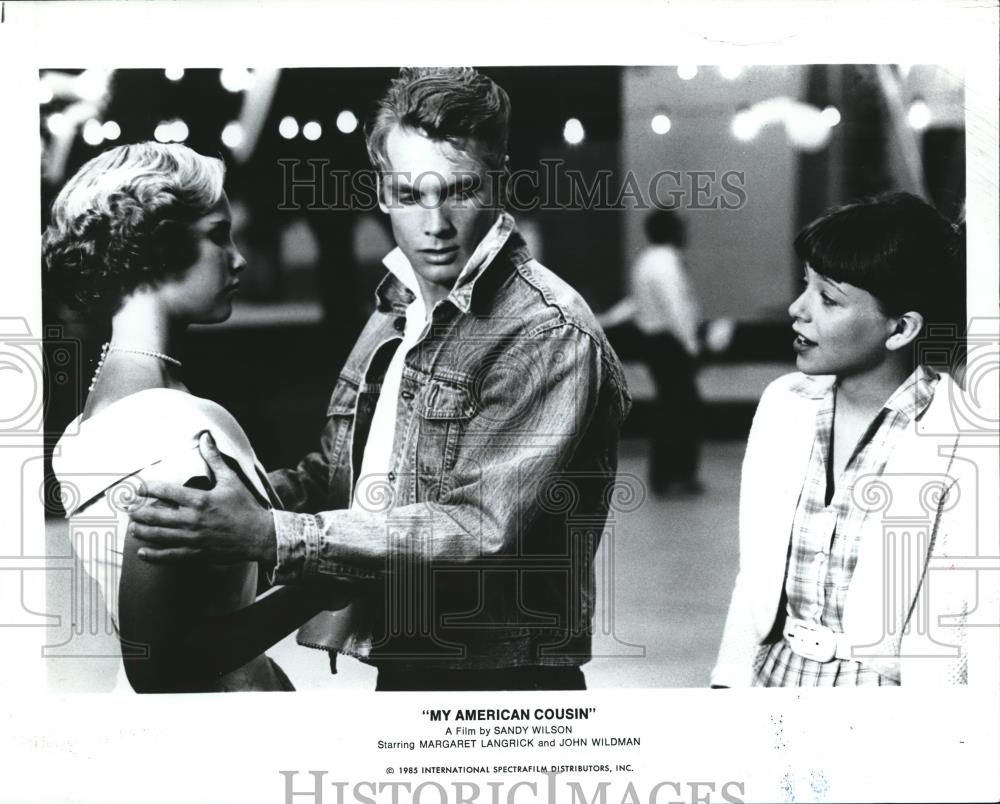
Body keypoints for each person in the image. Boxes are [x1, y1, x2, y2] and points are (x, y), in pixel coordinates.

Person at [127, 67, 632, 691]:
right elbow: (353, 470)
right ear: (383, 193)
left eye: (460, 190)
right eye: (409, 193)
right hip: (407, 657)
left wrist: (268, 533)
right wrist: (229, 504)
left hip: (501, 675)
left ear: (500, 182)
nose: (435, 223)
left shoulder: (545, 331)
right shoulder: (399, 302)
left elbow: (476, 528)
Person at [47, 142, 345, 693]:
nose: (238, 257)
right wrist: (323, 582)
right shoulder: (176, 436)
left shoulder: (92, 416)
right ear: (156, 244)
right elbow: (162, 670)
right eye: (217, 234)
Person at [712, 192, 996, 687]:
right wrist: (726, 682)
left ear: (901, 327)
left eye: (829, 298)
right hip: (771, 683)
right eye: (806, 286)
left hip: (881, 704)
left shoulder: (954, 433)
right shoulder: (784, 405)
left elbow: (947, 624)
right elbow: (754, 574)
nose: (797, 309)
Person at [599, 209, 704, 495]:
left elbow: (636, 302)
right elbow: (676, 307)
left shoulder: (645, 261)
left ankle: (668, 474)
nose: (686, 234)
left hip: (653, 343)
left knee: (670, 406)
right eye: (682, 228)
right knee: (680, 409)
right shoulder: (668, 263)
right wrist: (692, 344)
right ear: (673, 232)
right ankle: (675, 475)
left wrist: (606, 319)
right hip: (671, 342)